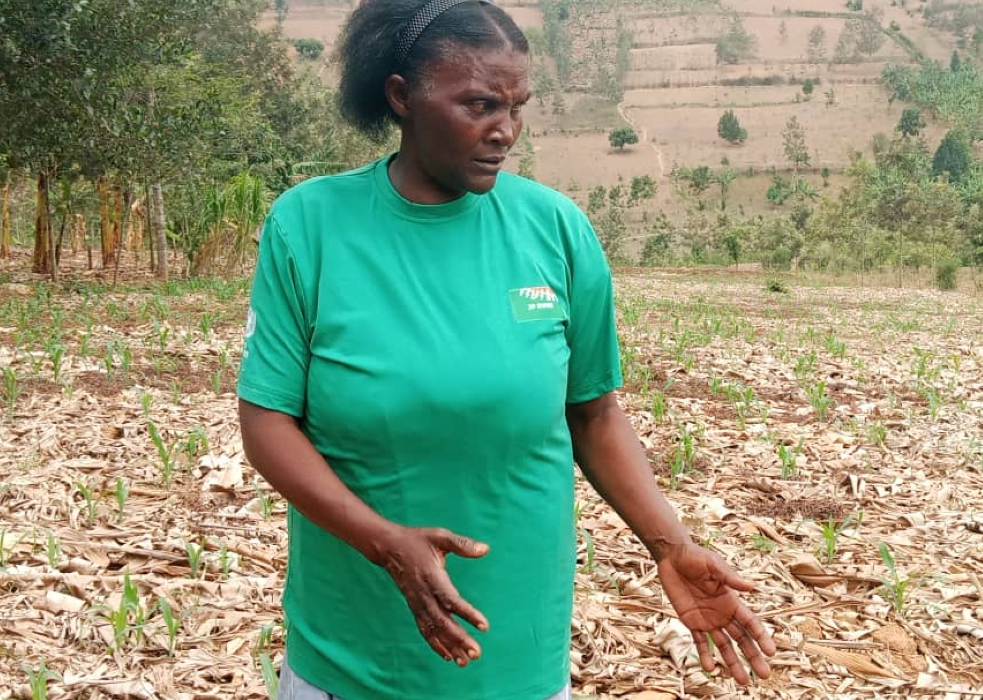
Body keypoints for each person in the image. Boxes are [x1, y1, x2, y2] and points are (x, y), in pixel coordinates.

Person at [235, 1, 776, 698]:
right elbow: (267, 421)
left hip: (519, 652)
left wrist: (670, 545)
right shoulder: (309, 225)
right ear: (401, 95)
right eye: (479, 104)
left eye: (517, 107)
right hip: (352, 654)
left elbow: (594, 414)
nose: (505, 131)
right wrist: (384, 544)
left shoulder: (555, 229)